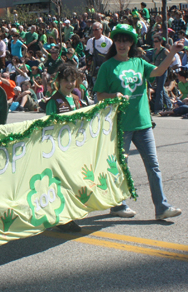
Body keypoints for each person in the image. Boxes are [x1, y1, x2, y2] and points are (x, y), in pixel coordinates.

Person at [94, 24, 182, 220]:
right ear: (114, 42)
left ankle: (162, 207)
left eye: (126, 40)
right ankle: (118, 205)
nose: (122, 44)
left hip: (143, 124)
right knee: (120, 166)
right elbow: (99, 95)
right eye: (118, 40)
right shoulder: (108, 67)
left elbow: (159, 71)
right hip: (120, 125)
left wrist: (173, 52)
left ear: (132, 42)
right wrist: (113, 95)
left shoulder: (139, 63)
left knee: (153, 166)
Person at [45, 64, 82, 232]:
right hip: (59, 150)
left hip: (74, 148)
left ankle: (69, 215)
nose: (70, 84)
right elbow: (49, 126)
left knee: (73, 182)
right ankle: (62, 218)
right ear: (58, 81)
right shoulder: (54, 101)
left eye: (73, 80)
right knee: (61, 184)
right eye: (66, 81)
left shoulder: (75, 98)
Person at [151, 35, 173, 115]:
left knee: (159, 89)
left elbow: (172, 58)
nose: (155, 43)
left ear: (160, 42)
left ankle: (158, 109)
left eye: (156, 41)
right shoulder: (154, 50)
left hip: (163, 71)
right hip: (156, 71)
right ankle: (169, 105)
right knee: (161, 88)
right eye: (154, 41)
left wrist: (166, 66)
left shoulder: (164, 50)